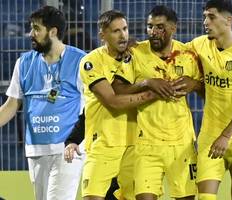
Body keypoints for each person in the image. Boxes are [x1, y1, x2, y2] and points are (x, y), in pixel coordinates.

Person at [112, 5, 203, 200]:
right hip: (147, 144)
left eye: (160, 27)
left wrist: (195, 84)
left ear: (173, 28)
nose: (153, 32)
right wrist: (147, 83)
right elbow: (117, 89)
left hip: (182, 144)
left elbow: (209, 92)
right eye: (150, 26)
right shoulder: (136, 53)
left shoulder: (188, 55)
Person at [79, 10, 169, 200]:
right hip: (103, 143)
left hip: (134, 143)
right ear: (102, 35)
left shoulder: (133, 56)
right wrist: (151, 91)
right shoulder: (91, 62)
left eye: (125, 29)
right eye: (115, 31)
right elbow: (112, 101)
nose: (123, 35)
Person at [0, 6, 86, 200]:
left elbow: (92, 106)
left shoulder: (80, 61)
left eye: (36, 29)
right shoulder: (23, 63)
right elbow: (11, 105)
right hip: (36, 149)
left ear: (53, 32)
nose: (31, 34)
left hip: (68, 149)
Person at [187, 1, 232, 200]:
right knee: (205, 197)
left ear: (228, 20)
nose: (205, 22)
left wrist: (226, 136)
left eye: (211, 17)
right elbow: (172, 53)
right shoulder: (199, 44)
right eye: (205, 16)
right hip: (210, 134)